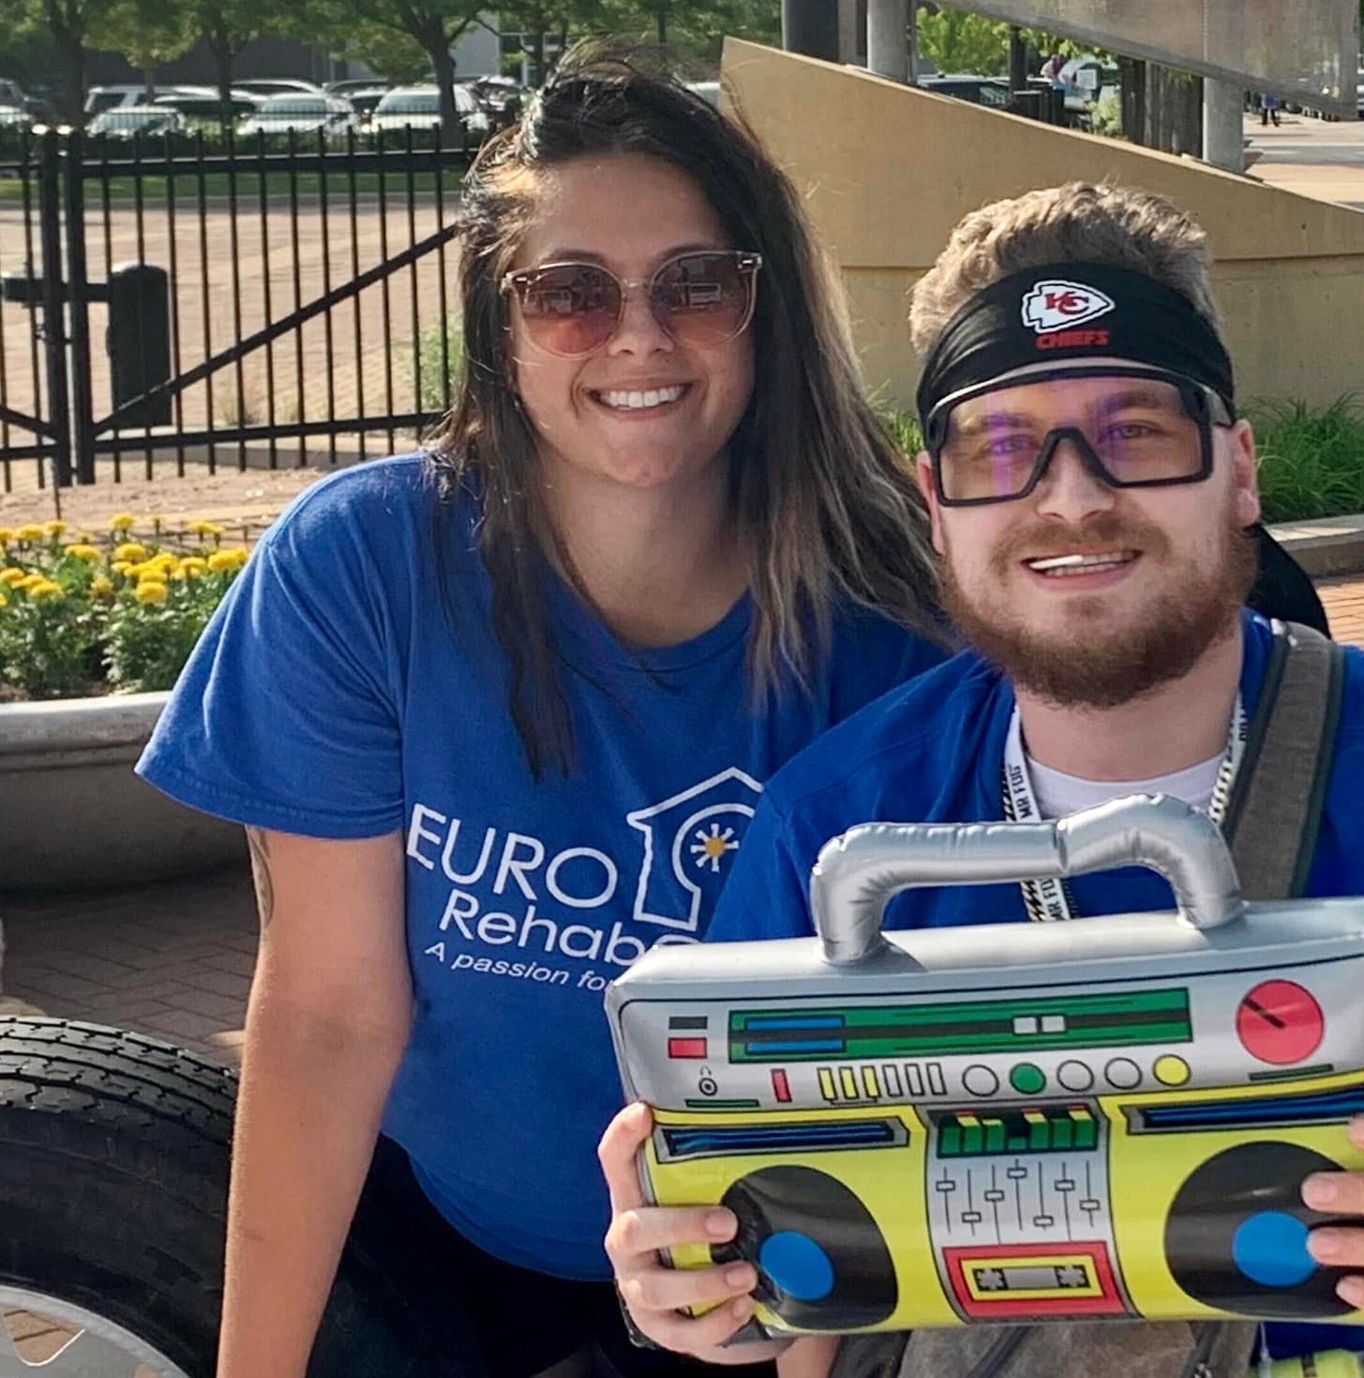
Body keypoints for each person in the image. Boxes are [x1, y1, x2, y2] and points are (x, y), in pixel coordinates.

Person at [602, 182, 1364, 1378]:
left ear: (1242, 470)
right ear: (935, 507)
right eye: (1000, 447)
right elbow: (777, 1327)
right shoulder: (841, 818)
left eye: (1136, 433)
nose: (1070, 495)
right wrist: (701, 1299)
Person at [135, 47, 954, 1378]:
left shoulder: (898, 631)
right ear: (500, 332)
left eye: (697, 282)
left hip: (772, 1266)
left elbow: (876, 1073)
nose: (640, 335)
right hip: (434, 1238)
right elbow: (333, 1015)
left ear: (766, 313)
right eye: (569, 293)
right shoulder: (365, 566)